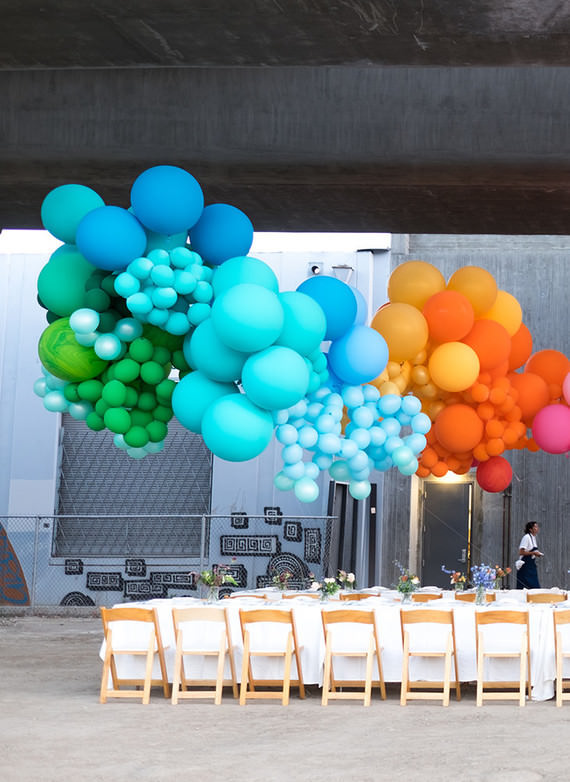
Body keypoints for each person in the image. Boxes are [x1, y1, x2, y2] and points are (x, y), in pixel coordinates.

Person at [516, 521, 544, 589]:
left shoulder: (533, 538)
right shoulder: (526, 537)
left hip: (531, 564)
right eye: (535, 527)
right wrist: (534, 553)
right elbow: (521, 552)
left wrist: (537, 553)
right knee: (528, 585)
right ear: (530, 529)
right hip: (525, 566)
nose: (537, 528)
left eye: (537, 527)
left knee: (533, 584)